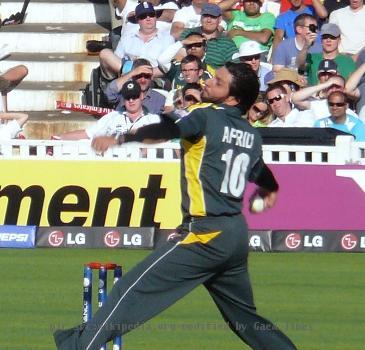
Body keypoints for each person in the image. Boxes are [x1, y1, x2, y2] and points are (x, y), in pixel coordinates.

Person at [54, 62, 297, 350]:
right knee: (244, 318)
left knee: (129, 291)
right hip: (234, 235)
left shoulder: (205, 116)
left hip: (206, 234)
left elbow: (167, 129)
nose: (208, 82)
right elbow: (261, 173)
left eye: (217, 82)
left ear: (232, 98)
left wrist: (121, 138)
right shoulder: (251, 134)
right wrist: (270, 189)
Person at [58, 80, 161, 140]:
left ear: (142, 96)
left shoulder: (153, 120)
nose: (131, 100)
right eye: (127, 97)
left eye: (134, 96)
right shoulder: (112, 117)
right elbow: (87, 133)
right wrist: (59, 138)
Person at [99, 2, 174, 79]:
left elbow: (169, 66)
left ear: (155, 17)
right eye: (143, 16)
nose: (148, 18)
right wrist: (132, 72)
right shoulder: (127, 38)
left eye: (151, 15)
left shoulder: (167, 39)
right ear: (137, 20)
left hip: (153, 78)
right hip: (128, 76)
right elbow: (117, 59)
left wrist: (145, 73)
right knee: (105, 53)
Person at [179, 3, 239, 69]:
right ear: (201, 18)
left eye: (213, 17)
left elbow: (235, 67)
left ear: (219, 19)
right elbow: (179, 57)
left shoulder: (227, 43)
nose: (208, 20)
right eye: (205, 16)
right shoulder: (188, 33)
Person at [291, 74, 359, 119]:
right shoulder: (317, 104)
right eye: (330, 87)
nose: (334, 90)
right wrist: (326, 84)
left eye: (337, 87)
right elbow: (295, 98)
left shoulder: (350, 114)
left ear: (344, 90)